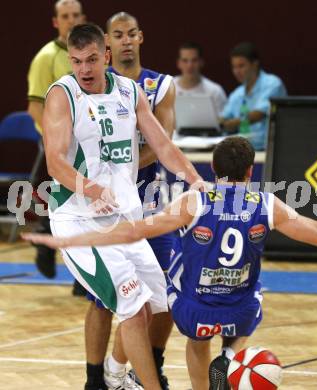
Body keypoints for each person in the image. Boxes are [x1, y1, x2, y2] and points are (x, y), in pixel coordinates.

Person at [24, 136, 317, 390]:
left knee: (186, 327)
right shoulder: (267, 203)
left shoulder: (193, 200)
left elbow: (134, 231)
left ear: (213, 171)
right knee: (253, 295)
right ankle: (230, 355)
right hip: (240, 310)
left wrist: (67, 240)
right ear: (249, 172)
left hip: (194, 310)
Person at [33, 22, 203, 390]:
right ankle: (142, 385)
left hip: (124, 219)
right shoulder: (63, 95)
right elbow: (55, 163)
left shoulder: (129, 91)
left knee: (155, 304)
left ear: (105, 56)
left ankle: (113, 373)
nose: (85, 70)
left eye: (92, 60)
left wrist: (195, 178)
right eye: (77, 62)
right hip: (78, 221)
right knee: (130, 305)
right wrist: (92, 189)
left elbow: (162, 145)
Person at [83, 11, 175, 390]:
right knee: (105, 300)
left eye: (130, 34)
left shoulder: (160, 84)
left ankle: (148, 368)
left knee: (166, 292)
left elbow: (162, 142)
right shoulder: (91, 87)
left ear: (140, 37)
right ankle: (95, 380)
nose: (124, 40)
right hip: (107, 207)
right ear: (107, 42)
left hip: (151, 200)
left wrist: (126, 163)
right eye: (117, 35)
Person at [27, 0, 86, 295]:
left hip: (88, 143)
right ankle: (45, 242)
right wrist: (53, 138)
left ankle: (82, 278)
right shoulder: (46, 58)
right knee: (65, 207)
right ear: (55, 22)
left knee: (87, 211)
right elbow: (35, 106)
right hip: (60, 144)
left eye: (76, 15)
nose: (71, 20)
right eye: (65, 16)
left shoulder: (92, 53)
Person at [220, 42, 287, 151]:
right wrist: (220, 122)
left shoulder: (273, 83)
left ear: (255, 64)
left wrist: (230, 123)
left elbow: (258, 114)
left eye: (241, 66)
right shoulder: (237, 93)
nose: (237, 71)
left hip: (270, 151)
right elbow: (223, 118)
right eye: (234, 67)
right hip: (243, 152)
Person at [174, 42, 227, 115]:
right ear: (178, 63)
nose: (190, 65)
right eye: (185, 60)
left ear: (201, 62)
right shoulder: (167, 88)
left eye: (194, 60)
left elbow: (223, 123)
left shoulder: (215, 91)